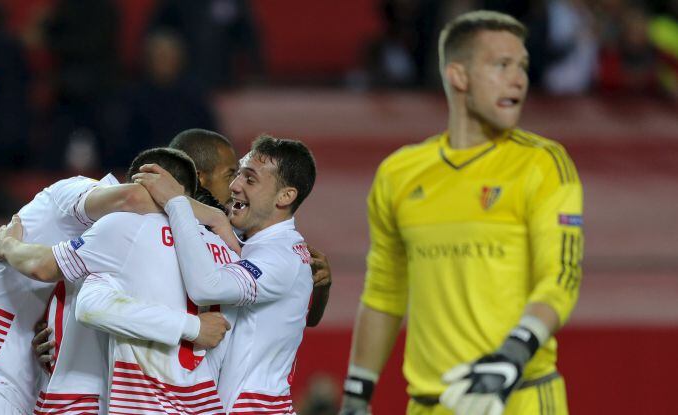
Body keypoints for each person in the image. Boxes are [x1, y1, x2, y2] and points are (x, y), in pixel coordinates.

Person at [339, 10, 583, 415]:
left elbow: (560, 277)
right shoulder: (399, 173)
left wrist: (512, 354)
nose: (519, 78)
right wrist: (356, 396)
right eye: (502, 65)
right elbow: (384, 292)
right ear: (458, 75)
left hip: (518, 396)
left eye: (522, 66)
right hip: (428, 404)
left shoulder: (542, 163)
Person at [0, 152, 197, 413]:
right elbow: (133, 197)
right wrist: (206, 215)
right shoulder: (70, 192)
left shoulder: (108, 247)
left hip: (12, 395)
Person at [0, 148, 233, 414]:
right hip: (205, 401)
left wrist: (7, 245)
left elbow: (55, 276)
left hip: (143, 401)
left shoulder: (124, 227)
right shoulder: (223, 248)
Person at [134, 134, 318, 413]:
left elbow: (207, 287)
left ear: (285, 196)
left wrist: (176, 203)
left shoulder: (281, 256)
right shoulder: (254, 244)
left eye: (250, 179)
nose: (234, 186)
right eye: (237, 175)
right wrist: (215, 218)